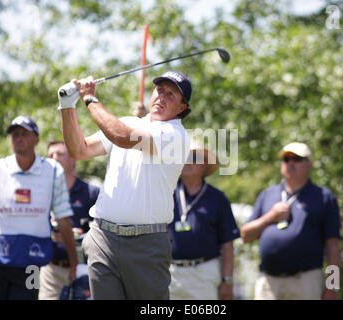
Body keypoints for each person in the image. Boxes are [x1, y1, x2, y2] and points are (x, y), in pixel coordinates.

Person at [57, 70, 191, 299]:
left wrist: (89, 98)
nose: (161, 97)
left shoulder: (176, 135)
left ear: (181, 108)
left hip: (146, 245)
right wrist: (67, 107)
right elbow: (79, 150)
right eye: (159, 90)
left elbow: (122, 137)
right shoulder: (128, 122)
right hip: (103, 238)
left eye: (171, 94)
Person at [0, 116, 78, 300]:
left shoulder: (53, 171)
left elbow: (63, 218)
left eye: (24, 134)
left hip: (32, 260)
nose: (19, 138)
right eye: (15, 135)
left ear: (36, 140)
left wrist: (74, 261)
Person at [241, 142, 341, 300]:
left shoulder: (323, 197)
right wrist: (270, 217)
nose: (291, 163)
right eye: (286, 159)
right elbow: (246, 235)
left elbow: (333, 245)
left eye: (297, 159)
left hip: (306, 281)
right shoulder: (268, 194)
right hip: (268, 282)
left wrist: (332, 285)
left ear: (309, 164)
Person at [168, 141, 240, 300]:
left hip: (205, 273)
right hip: (171, 274)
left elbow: (228, 243)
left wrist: (227, 280)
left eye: (194, 157)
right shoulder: (167, 193)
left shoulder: (217, 198)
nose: (187, 161)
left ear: (204, 165)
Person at [38, 140, 100, 300]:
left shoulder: (91, 193)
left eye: (60, 154)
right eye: (50, 155)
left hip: (83, 268)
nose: (54, 158)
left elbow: (104, 233)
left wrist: (80, 236)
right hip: (51, 269)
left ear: (73, 160)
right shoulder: (40, 192)